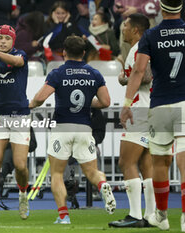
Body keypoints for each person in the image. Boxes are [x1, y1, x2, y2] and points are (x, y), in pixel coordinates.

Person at [29, 35, 116, 224]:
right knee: (92, 172)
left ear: (63, 53)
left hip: (62, 127)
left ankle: (64, 216)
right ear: (84, 53)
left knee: (57, 173)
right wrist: (87, 103)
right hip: (85, 127)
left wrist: (29, 105)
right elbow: (105, 102)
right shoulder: (94, 73)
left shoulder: (57, 73)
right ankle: (102, 185)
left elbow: (40, 98)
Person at [120, 0, 185, 231]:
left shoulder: (151, 36)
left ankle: (156, 215)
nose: (123, 28)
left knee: (154, 160)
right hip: (182, 100)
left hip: (157, 105)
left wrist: (127, 102)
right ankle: (177, 216)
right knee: (178, 158)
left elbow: (140, 72)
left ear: (160, 6)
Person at [108, 13, 155, 228]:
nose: (122, 29)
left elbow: (146, 75)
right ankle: (152, 215)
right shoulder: (144, 47)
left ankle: (135, 215)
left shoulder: (140, 48)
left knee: (126, 162)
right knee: (147, 164)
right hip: (152, 108)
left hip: (139, 109)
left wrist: (125, 78)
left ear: (135, 29)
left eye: (125, 25)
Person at [0, 24, 31, 223]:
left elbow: (17, 62)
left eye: (7, 38)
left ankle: (22, 194)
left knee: (20, 165)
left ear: (13, 41)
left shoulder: (21, 55)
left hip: (20, 115)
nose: (3, 41)